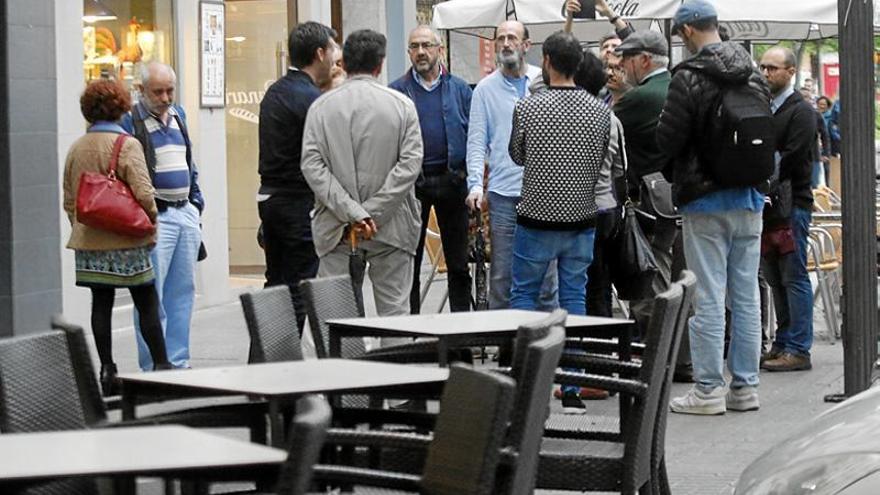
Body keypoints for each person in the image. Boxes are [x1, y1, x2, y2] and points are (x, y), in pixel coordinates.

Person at [657, 0, 770, 415]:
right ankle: (745, 387)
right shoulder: (755, 74)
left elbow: (666, 140)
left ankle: (707, 391)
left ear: (687, 32)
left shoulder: (686, 77)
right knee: (745, 296)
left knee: (707, 296)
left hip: (705, 201)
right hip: (751, 197)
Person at [508, 34, 614, 413]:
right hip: (580, 219)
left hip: (536, 217)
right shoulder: (601, 111)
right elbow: (603, 158)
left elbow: (517, 154)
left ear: (548, 61)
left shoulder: (528, 107)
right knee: (574, 300)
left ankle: (523, 380)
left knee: (523, 297)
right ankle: (572, 388)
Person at [301, 30, 422, 325]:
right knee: (394, 315)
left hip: (336, 226)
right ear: (380, 65)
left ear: (343, 63)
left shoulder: (320, 107)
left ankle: (341, 370)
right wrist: (372, 213)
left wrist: (353, 212)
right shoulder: (401, 105)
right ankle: (393, 369)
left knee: (335, 317)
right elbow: (410, 165)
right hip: (391, 225)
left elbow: (311, 165)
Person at [63, 79, 172, 395]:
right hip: (128, 241)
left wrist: (81, 227)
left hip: (90, 243)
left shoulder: (76, 148)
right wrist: (151, 224)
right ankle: (163, 366)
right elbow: (144, 192)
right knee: (147, 301)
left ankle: (107, 369)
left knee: (101, 303)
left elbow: (70, 197)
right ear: (121, 109)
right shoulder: (127, 145)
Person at [466, 20, 557, 311]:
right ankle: (506, 349)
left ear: (526, 46)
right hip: (504, 194)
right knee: (503, 274)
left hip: (543, 192)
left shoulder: (544, 83)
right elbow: (477, 141)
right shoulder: (484, 89)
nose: (505, 43)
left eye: (511, 38)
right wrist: (475, 185)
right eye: (500, 38)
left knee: (546, 275)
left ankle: (545, 344)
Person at [122, 62, 205, 371]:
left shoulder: (179, 116)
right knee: (150, 296)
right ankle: (153, 365)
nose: (166, 97)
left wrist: (196, 204)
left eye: (170, 90)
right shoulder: (130, 121)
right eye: (158, 91)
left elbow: (189, 162)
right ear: (141, 90)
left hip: (184, 212)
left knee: (182, 293)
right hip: (156, 217)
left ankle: (179, 362)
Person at [257, 22, 339, 333]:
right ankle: (279, 367)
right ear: (320, 53)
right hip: (297, 205)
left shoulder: (275, 93)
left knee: (277, 286)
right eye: (332, 50)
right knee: (297, 292)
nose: (334, 59)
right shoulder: (311, 100)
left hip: (272, 202)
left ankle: (264, 362)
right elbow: (325, 158)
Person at [390, 25, 473, 314]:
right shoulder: (397, 91)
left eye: (427, 45)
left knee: (459, 265)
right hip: (413, 185)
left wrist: (474, 182)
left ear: (440, 49)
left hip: (454, 182)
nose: (421, 51)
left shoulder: (461, 89)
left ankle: (462, 336)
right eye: (415, 46)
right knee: (409, 263)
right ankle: (410, 331)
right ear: (409, 52)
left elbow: (474, 138)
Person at [611, 30, 677, 338]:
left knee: (648, 279)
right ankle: (681, 357)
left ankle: (654, 355)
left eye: (626, 58)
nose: (621, 65)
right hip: (677, 199)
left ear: (645, 60)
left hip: (646, 205)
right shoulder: (677, 86)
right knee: (679, 281)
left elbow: (604, 131)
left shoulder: (640, 97)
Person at [759, 46, 817, 372]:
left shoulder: (801, 112)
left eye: (773, 68)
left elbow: (791, 159)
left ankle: (798, 347)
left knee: (793, 277)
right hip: (771, 208)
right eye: (764, 67)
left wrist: (763, 174)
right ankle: (783, 343)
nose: (767, 73)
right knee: (775, 279)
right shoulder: (766, 107)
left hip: (792, 205)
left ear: (790, 71)